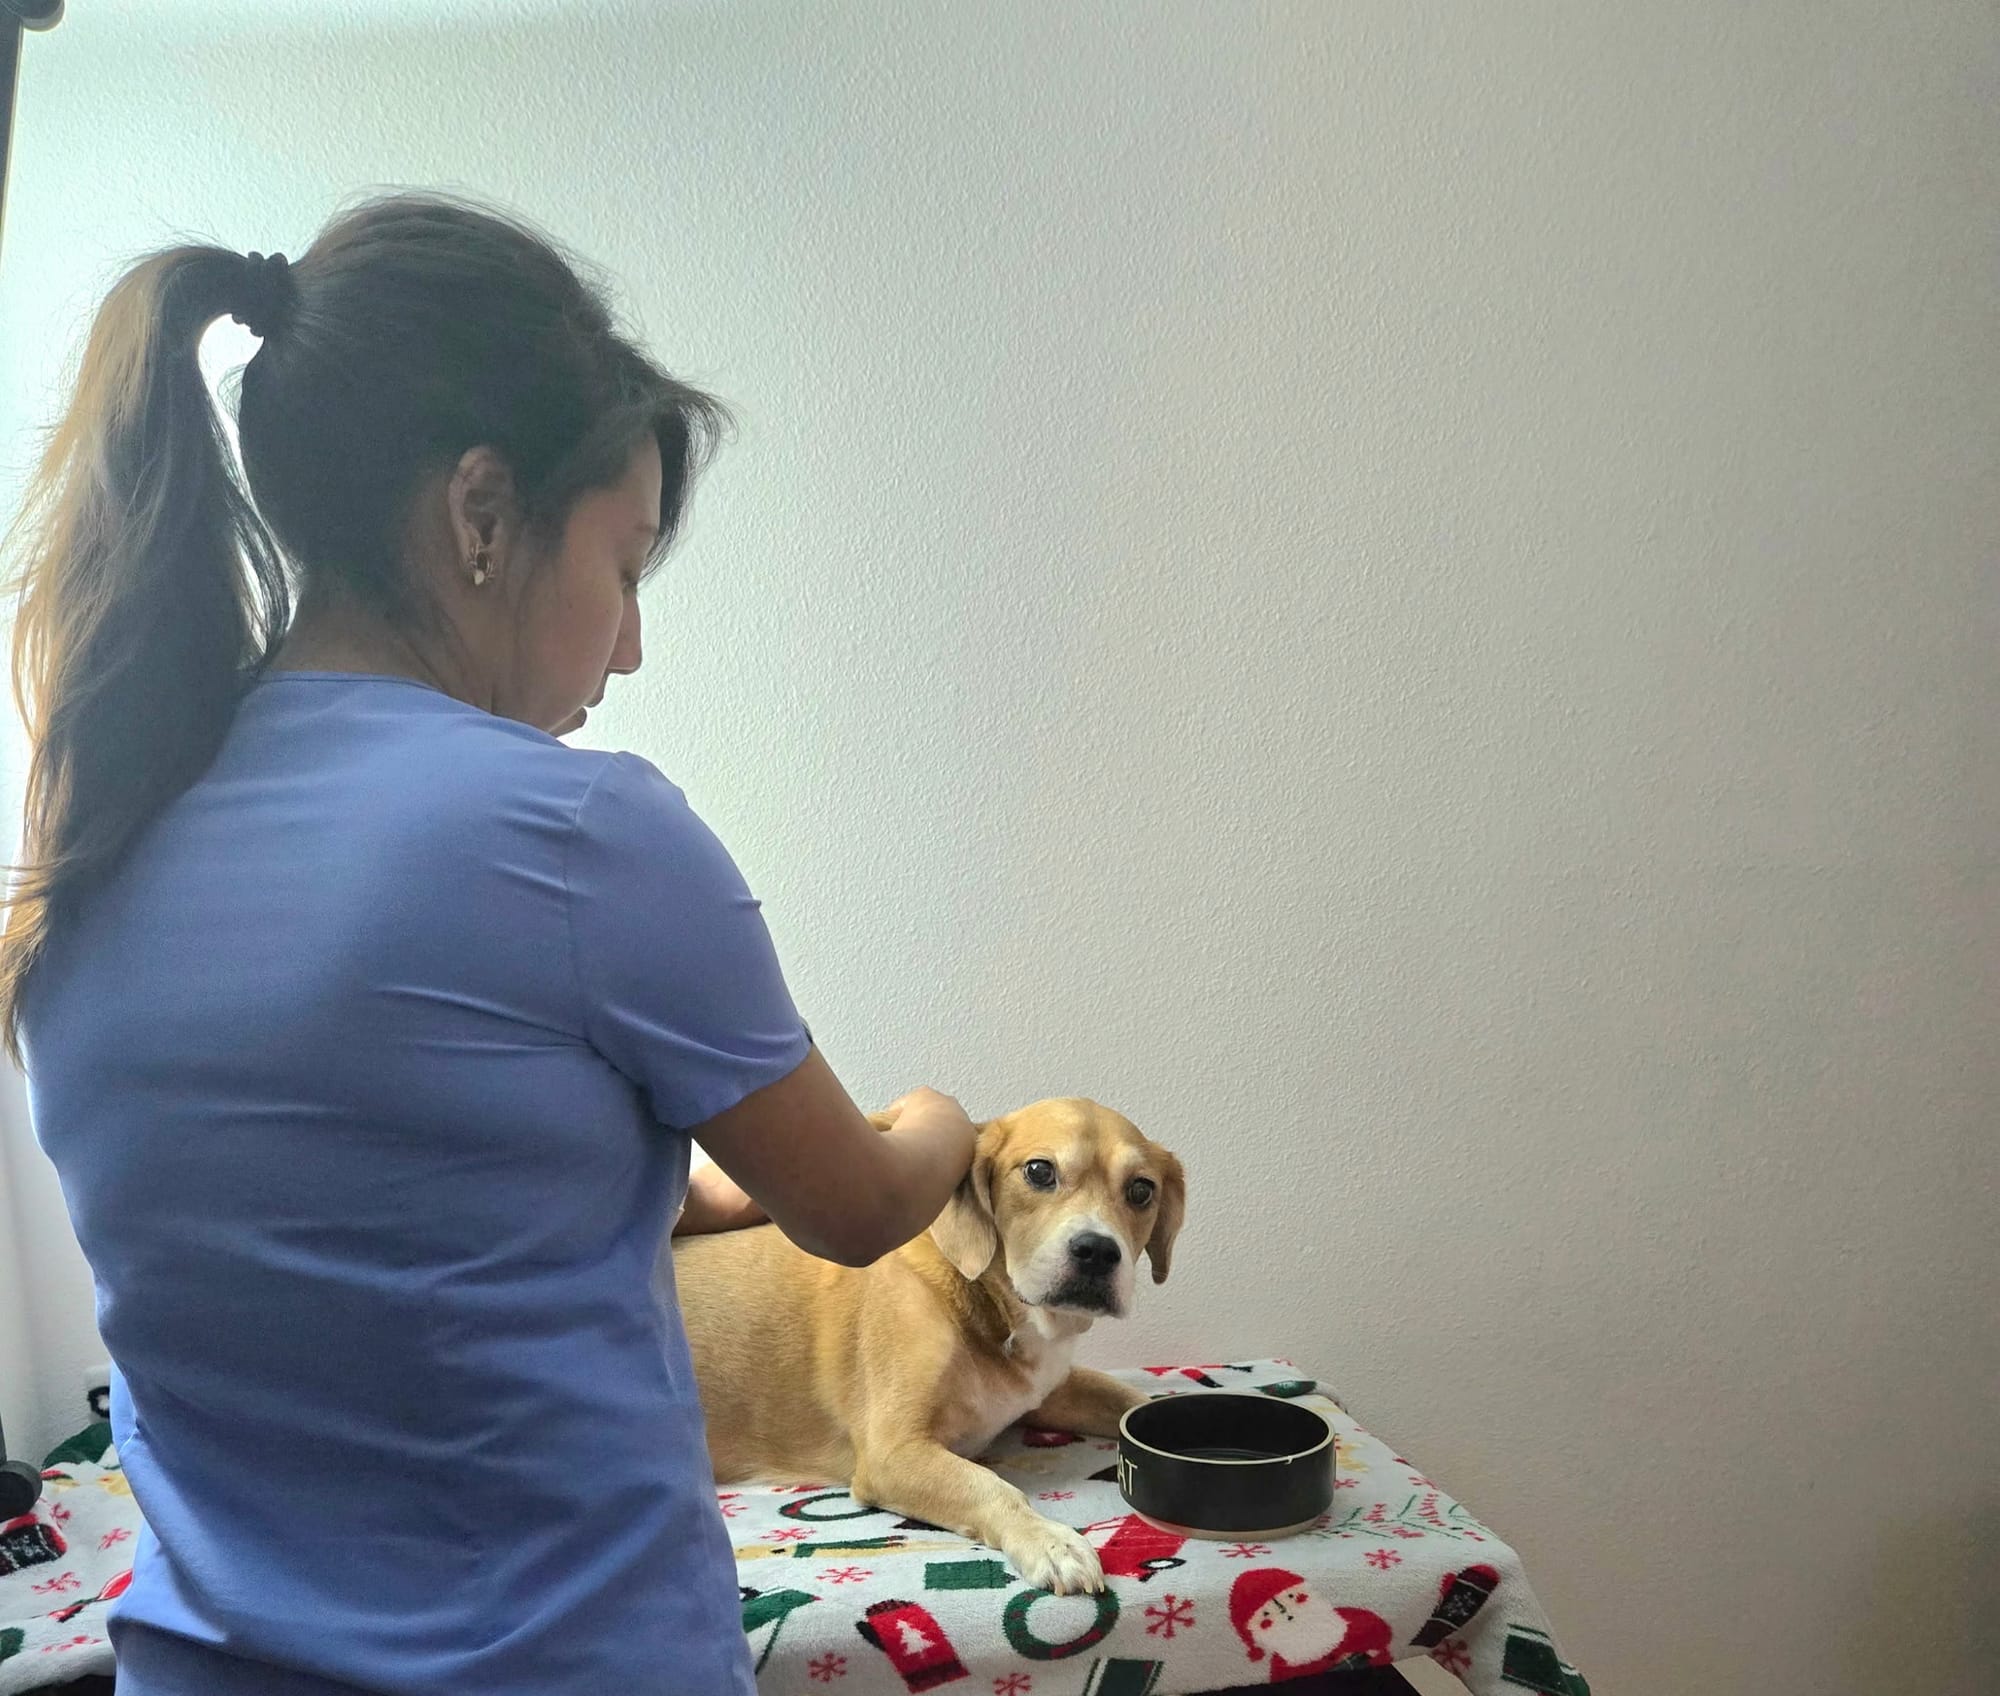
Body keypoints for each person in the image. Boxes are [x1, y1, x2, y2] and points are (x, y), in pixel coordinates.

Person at [0, 194, 979, 1696]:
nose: (631, 644)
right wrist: (943, 1123)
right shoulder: (581, 830)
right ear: (481, 513)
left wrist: (669, 1194)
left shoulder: (93, 845)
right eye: (627, 565)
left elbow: (387, 1219)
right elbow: (855, 1211)